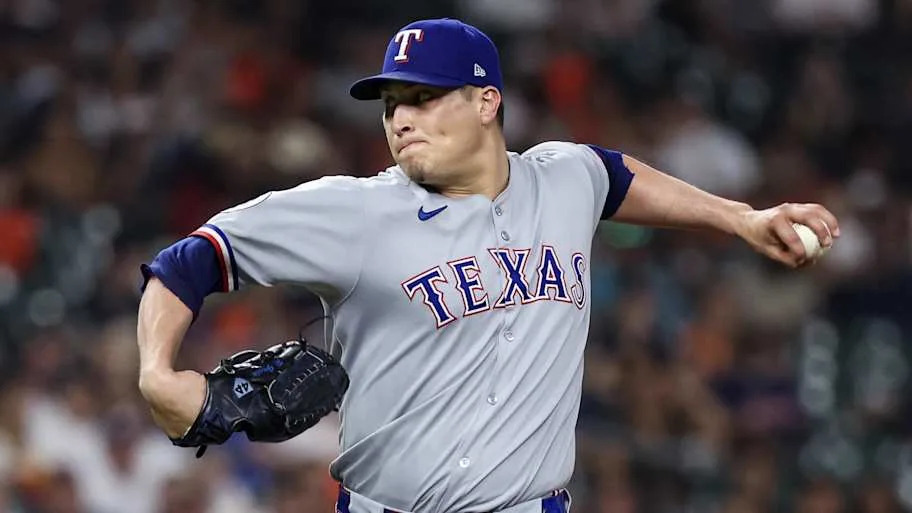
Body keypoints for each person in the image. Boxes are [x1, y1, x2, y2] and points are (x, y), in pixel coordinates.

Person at [136, 18, 840, 513]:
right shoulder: (352, 211)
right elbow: (188, 260)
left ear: (486, 102)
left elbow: (617, 177)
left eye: (422, 97)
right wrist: (158, 373)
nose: (400, 119)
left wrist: (742, 218)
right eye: (391, 104)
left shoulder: (562, 177)